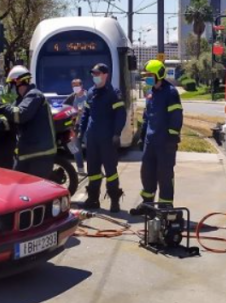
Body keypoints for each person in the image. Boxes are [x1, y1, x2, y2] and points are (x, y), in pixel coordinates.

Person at [77, 63, 127, 212]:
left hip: (107, 139)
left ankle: (114, 201)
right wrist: (81, 131)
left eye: (97, 74)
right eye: (93, 74)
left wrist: (117, 134)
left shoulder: (113, 93)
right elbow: (86, 113)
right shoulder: (91, 92)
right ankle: (93, 199)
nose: (95, 77)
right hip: (92, 138)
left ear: (105, 75)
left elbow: (121, 115)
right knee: (93, 171)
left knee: (110, 171)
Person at [137, 60, 183, 208]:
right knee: (147, 172)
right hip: (150, 142)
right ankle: (148, 203)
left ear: (158, 74)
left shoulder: (170, 92)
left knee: (165, 175)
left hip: (165, 142)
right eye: (145, 75)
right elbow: (147, 117)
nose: (147, 78)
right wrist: (142, 136)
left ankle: (165, 206)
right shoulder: (150, 93)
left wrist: (172, 137)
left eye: (149, 75)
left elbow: (176, 116)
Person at [0, 65, 56, 178]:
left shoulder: (34, 95)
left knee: (34, 189)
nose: (11, 88)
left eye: (12, 84)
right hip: (28, 152)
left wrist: (1, 107)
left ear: (18, 82)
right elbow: (11, 117)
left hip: (39, 153)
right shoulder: (21, 100)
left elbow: (20, 115)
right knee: (16, 183)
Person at [62, 78, 88, 174]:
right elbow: (63, 108)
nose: (75, 88)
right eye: (73, 86)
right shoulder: (71, 98)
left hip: (86, 127)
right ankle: (80, 169)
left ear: (81, 85)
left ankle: (96, 169)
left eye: (77, 85)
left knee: (91, 148)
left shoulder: (88, 96)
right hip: (74, 127)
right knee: (76, 149)